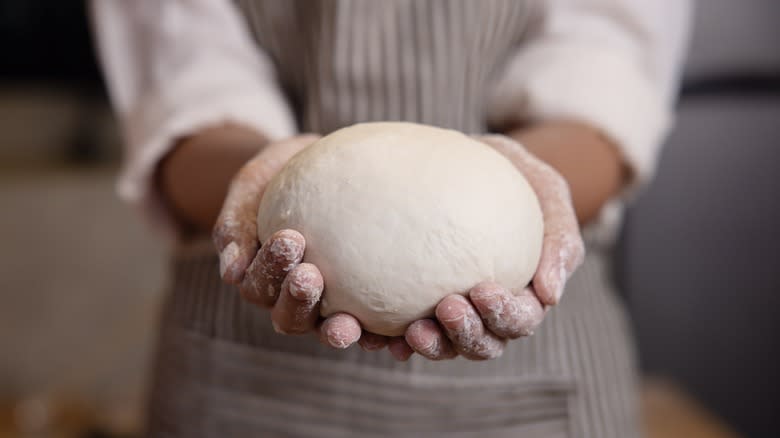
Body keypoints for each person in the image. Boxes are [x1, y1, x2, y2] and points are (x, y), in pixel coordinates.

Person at [92, 1, 691, 436]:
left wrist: (535, 181)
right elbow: (182, 73)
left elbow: (606, 63)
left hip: (541, 386)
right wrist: (252, 184)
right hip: (237, 382)